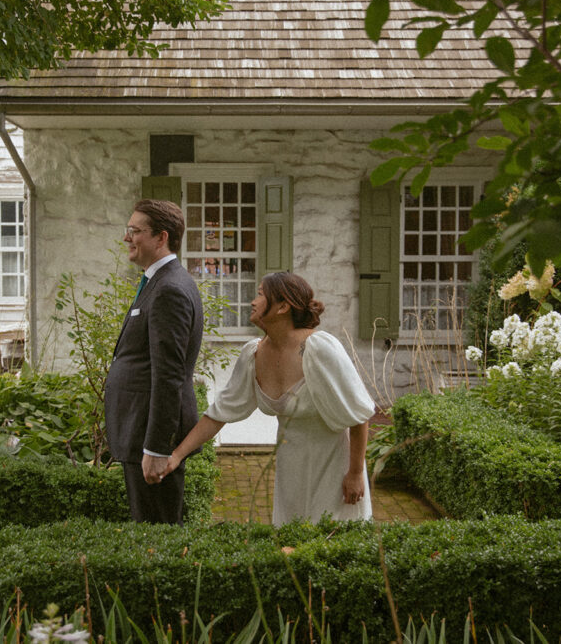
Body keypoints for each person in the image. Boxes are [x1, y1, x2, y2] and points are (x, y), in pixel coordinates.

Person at [163, 272, 374, 525]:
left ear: (283, 306)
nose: (253, 301)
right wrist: (176, 455)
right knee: (290, 543)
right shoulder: (254, 354)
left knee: (333, 545)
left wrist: (355, 473)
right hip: (290, 468)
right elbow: (219, 412)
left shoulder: (320, 349)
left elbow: (359, 415)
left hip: (334, 468)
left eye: (261, 295)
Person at [103, 199, 204, 524]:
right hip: (139, 432)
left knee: (156, 541)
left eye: (134, 231)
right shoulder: (159, 282)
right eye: (127, 230)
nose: (126, 238)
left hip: (149, 438)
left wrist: (157, 449)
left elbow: (169, 375)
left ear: (161, 237)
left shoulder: (169, 289)